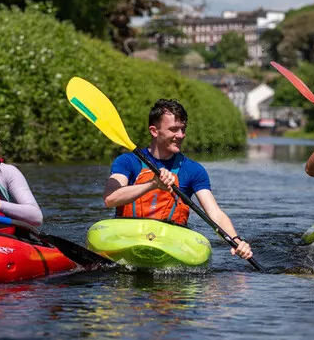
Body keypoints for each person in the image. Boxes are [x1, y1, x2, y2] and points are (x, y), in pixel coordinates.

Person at [103, 99, 253, 260]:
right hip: (127, 236)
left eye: (183, 129)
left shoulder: (193, 170)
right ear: (154, 131)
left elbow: (214, 212)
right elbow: (110, 199)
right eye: (174, 129)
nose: (181, 135)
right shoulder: (127, 161)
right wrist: (152, 184)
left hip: (170, 242)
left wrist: (236, 240)